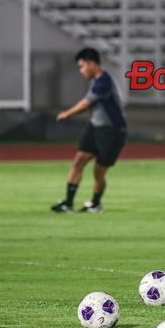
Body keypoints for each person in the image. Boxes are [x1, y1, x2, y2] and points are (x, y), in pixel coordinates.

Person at [51, 48, 127, 213]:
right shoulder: (96, 81)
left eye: (82, 66)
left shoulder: (104, 82)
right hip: (95, 128)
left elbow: (86, 104)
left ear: (92, 64)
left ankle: (96, 204)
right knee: (79, 160)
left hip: (112, 132)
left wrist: (67, 114)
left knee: (99, 171)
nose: (81, 71)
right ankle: (68, 204)